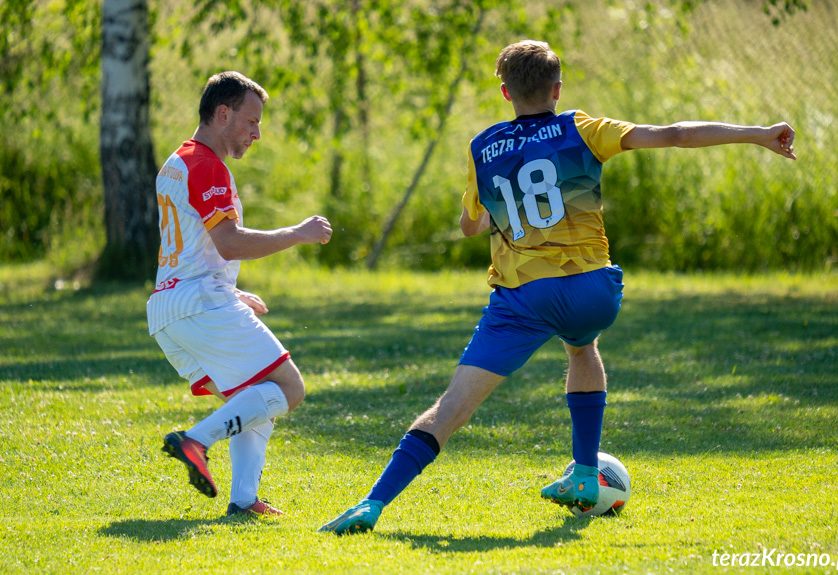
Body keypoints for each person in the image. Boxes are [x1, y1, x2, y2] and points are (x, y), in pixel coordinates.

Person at [318, 40, 796, 534]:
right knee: (582, 346)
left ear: (506, 92)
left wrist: (493, 214)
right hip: (594, 292)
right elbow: (672, 134)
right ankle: (586, 474)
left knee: (452, 407)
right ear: (558, 89)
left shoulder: (483, 147)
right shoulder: (581, 128)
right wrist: (759, 134)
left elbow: (469, 225)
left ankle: (372, 504)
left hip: (524, 299)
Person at [148, 71, 333, 516]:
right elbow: (229, 242)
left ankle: (243, 501)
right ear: (223, 113)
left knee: (253, 399)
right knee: (288, 388)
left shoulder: (177, 160)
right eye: (251, 121)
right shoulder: (207, 165)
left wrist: (232, 292)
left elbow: (196, 247)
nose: (257, 133)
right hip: (199, 305)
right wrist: (298, 233)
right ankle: (195, 441)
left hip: (170, 308)